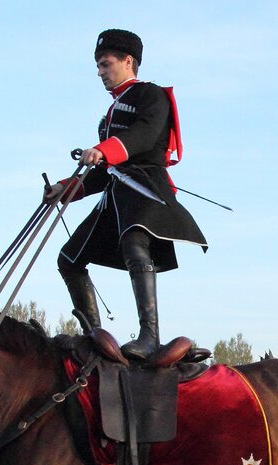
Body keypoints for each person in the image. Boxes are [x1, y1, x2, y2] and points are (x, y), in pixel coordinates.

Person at [45, 29, 207, 359]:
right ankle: (94, 337)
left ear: (128, 61)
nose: (101, 72)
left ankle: (150, 337)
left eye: (105, 64)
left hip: (145, 191)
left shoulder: (151, 96)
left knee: (135, 240)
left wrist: (104, 150)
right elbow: (105, 173)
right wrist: (65, 189)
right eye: (99, 67)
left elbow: (144, 136)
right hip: (117, 198)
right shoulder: (109, 116)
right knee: (69, 259)